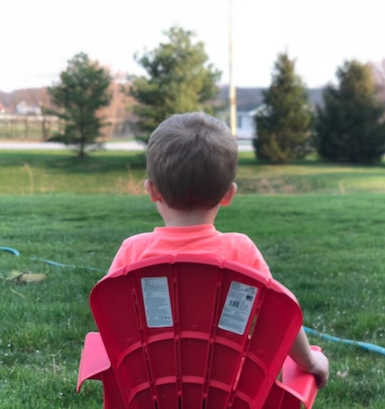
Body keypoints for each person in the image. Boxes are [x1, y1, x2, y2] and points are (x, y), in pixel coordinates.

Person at [109, 112, 329, 388]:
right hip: (227, 391)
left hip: (149, 389)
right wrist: (309, 362)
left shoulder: (133, 252)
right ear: (229, 195)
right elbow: (279, 314)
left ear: (151, 191)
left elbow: (110, 320)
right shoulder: (240, 251)